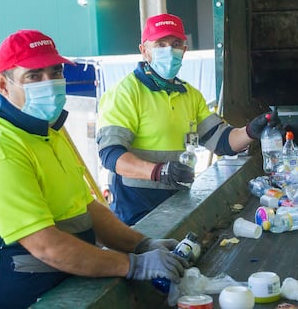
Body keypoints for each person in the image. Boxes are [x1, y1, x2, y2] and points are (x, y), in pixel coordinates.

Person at [0, 29, 189, 309]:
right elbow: (47, 246)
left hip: (64, 282)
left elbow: (85, 207)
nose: (49, 83)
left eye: (55, 72)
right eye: (34, 76)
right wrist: (132, 264)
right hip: (16, 294)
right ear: (3, 85)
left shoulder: (48, 132)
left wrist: (142, 245)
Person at [96, 13, 280, 226]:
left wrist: (250, 131)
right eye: (160, 44)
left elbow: (221, 141)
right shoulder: (125, 93)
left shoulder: (190, 95)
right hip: (136, 209)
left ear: (184, 51)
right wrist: (159, 171)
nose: (169, 50)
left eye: (175, 44)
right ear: (144, 51)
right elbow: (111, 155)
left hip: (179, 203)